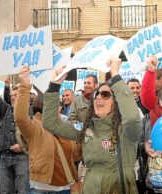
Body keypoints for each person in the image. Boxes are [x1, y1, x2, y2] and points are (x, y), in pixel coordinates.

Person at [42, 57, 142, 194]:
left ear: (117, 101)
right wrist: (54, 86)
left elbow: (131, 117)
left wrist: (116, 76)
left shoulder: (127, 131)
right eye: (96, 94)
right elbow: (50, 123)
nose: (99, 97)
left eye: (105, 94)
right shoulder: (85, 130)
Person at [14, 67, 78, 194]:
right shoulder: (34, 127)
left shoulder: (66, 125)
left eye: (57, 102)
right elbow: (20, 117)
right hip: (42, 189)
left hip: (66, 187)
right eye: (53, 102)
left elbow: (75, 155)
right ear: (43, 106)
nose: (58, 105)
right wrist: (24, 85)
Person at [0, 67, 30, 194]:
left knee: (23, 191)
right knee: (5, 192)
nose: (12, 97)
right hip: (5, 157)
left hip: (22, 158)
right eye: (11, 95)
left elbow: (36, 136)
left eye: (16, 95)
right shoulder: (6, 110)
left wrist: (23, 146)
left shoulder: (31, 114)